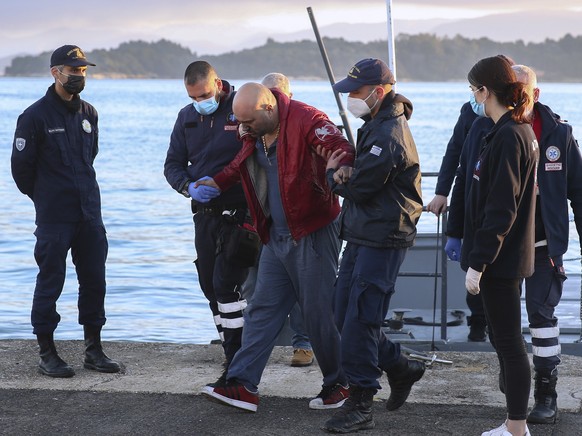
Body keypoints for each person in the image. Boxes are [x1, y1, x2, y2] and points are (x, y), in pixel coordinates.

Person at [200, 82, 355, 412]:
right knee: (261, 309)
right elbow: (244, 161)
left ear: (268, 109)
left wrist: (340, 169)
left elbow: (339, 148)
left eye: (249, 123)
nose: (243, 129)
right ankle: (243, 384)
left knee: (317, 315)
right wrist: (217, 182)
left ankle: (339, 383)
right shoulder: (254, 129)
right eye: (240, 122)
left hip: (312, 232)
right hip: (275, 236)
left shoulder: (306, 118)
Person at [448, 64, 582, 426]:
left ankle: (544, 392)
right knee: (501, 331)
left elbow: (577, 194)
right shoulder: (485, 128)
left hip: (539, 245)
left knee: (541, 320)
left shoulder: (554, 134)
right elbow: (466, 178)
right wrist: (455, 231)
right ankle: (515, 385)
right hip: (501, 248)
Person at [317, 58, 425, 433]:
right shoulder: (375, 124)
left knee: (362, 317)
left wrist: (334, 174)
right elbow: (363, 179)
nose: (351, 98)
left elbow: (362, 187)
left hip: (384, 235)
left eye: (356, 92)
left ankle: (362, 402)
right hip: (364, 231)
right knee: (341, 311)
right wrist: (351, 172)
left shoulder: (388, 132)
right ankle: (400, 366)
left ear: (379, 92)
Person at [11, 45, 120, 377]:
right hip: (55, 216)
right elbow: (21, 171)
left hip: (89, 212)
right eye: (74, 71)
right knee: (50, 281)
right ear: (56, 72)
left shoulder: (89, 113)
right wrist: (47, 198)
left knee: (94, 281)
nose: (80, 76)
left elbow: (91, 157)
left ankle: (94, 350)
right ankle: (47, 353)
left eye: (84, 71)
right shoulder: (34, 117)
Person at [462, 55, 538, 436]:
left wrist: (479, 262)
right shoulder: (511, 130)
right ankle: (514, 423)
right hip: (506, 258)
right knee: (506, 340)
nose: (473, 97)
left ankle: (516, 427)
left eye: (473, 90)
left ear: (485, 91)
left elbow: (501, 208)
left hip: (500, 262)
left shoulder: (510, 135)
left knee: (509, 343)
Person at [164, 61, 251, 372]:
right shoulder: (186, 118)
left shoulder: (240, 106)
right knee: (208, 284)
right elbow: (171, 164)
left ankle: (239, 356)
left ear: (217, 83)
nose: (200, 103)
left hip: (240, 213)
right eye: (193, 98)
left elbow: (252, 156)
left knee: (226, 282)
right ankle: (230, 347)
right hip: (204, 213)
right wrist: (188, 187)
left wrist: (224, 183)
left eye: (203, 95)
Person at [260, 72, 313, 367]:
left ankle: (303, 343)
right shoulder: (255, 129)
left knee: (305, 288)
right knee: (264, 290)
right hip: (268, 223)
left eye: (277, 96)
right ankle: (255, 351)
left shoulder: (304, 122)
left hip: (303, 222)